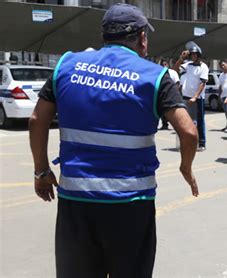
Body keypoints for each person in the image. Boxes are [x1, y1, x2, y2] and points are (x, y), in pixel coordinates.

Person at [28, 4, 199, 277]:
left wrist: (41, 171)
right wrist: (185, 167)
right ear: (142, 38)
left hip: (77, 202)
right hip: (132, 204)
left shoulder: (66, 65)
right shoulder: (154, 76)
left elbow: (38, 120)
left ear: (105, 35)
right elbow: (188, 132)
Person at [173, 44, 209, 151]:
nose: (193, 56)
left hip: (197, 99)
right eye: (191, 54)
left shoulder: (203, 67)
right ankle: (187, 141)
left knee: (198, 121)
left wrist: (195, 96)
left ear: (199, 55)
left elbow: (202, 83)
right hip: (185, 97)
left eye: (195, 54)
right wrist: (181, 58)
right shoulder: (187, 65)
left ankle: (201, 143)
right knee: (186, 120)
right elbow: (174, 69)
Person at [159, 59, 180, 130]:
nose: (164, 65)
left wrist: (175, 93)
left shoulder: (173, 72)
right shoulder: (159, 73)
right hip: (163, 93)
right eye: (162, 64)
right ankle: (164, 124)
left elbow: (177, 83)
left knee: (174, 110)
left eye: (165, 64)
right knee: (163, 110)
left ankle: (177, 125)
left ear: (168, 65)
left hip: (172, 93)